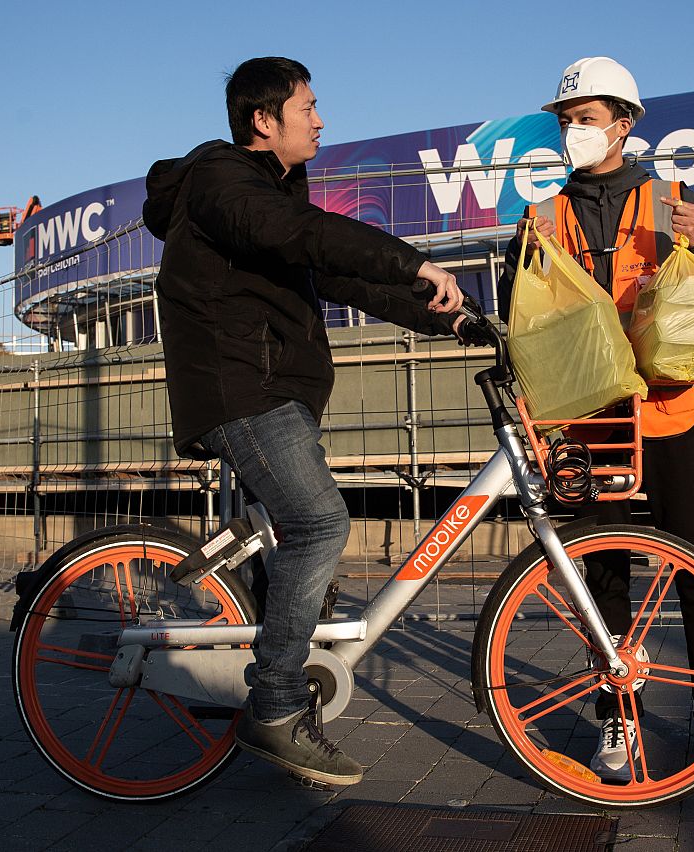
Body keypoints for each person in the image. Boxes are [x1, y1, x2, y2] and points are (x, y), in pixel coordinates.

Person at [144, 57, 465, 787]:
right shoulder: (225, 182)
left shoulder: (269, 193)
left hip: (271, 391)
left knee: (291, 550)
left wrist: (443, 317)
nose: (321, 120)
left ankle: (259, 680)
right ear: (265, 120)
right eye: (309, 107)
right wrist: (413, 262)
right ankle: (277, 707)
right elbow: (310, 237)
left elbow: (333, 273)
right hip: (241, 391)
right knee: (320, 523)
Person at [498, 56, 694, 781]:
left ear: (623, 124)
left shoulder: (673, 203)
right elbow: (521, 313)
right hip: (585, 420)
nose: (572, 132)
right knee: (600, 574)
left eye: (585, 119)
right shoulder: (541, 216)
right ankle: (617, 719)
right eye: (566, 120)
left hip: (665, 411)